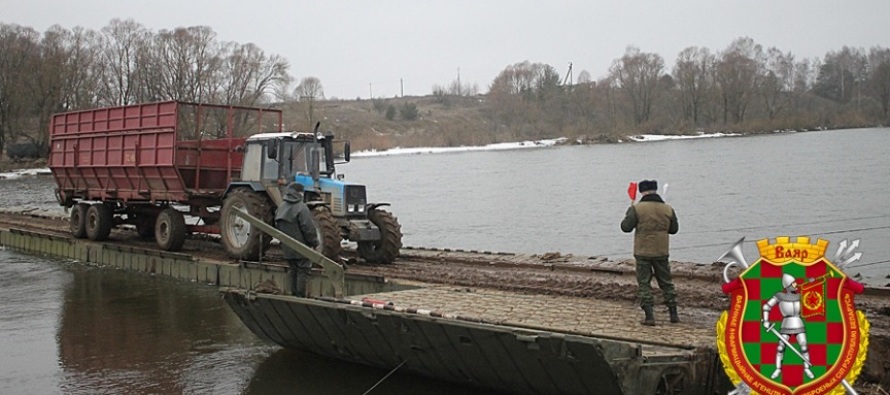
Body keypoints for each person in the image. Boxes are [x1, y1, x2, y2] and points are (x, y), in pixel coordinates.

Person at [620, 179, 680, 326]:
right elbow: (674, 230)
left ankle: (649, 317)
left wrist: (629, 212)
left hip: (643, 251)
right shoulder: (668, 209)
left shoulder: (637, 208)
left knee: (644, 283)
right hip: (661, 250)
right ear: (655, 190)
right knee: (666, 282)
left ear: (642, 192)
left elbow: (625, 227)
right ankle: (673, 314)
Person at [762, 274, 814, 380]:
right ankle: (778, 368)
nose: (796, 285)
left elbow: (812, 297)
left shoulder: (799, 295)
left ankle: (807, 368)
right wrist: (766, 320)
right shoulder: (779, 296)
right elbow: (766, 306)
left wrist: (812, 283)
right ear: (788, 285)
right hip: (786, 323)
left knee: (804, 346)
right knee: (780, 348)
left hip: (799, 322)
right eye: (793, 283)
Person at [275, 182, 319, 297]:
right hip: (301, 248)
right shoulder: (301, 207)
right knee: (303, 271)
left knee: (292, 269)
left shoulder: (281, 207)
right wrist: (314, 243)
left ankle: (290, 295)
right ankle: (300, 297)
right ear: (300, 193)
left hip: (287, 248)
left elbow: (277, 226)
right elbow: (308, 228)